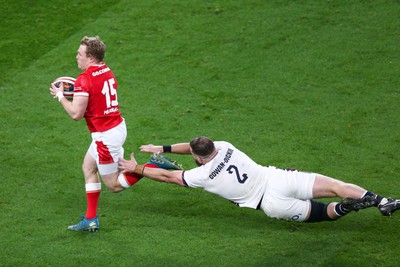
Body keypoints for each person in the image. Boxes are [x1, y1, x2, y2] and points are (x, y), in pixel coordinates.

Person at [49, 36, 177, 231]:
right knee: (88, 168)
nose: (76, 56)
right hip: (116, 127)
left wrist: (60, 96)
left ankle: (152, 164)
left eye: (80, 54)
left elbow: (76, 114)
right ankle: (91, 219)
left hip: (105, 137)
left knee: (114, 186)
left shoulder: (85, 79)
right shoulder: (107, 70)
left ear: (91, 58)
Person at [118, 136, 400, 222]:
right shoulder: (225, 146)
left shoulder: (200, 175)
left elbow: (168, 176)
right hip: (279, 178)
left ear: (200, 157)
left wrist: (138, 167)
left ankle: (346, 208)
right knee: (336, 186)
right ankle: (381, 200)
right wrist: (164, 148)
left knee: (324, 214)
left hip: (270, 203)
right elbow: (196, 147)